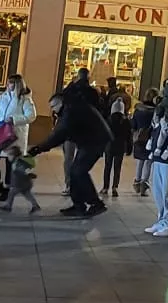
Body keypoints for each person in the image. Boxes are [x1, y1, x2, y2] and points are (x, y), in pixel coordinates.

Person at [29, 78, 110, 216]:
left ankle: (96, 203)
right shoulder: (71, 107)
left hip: (95, 141)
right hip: (90, 141)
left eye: (53, 107)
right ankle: (78, 205)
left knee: (79, 172)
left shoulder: (70, 111)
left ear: (60, 103)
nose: (53, 111)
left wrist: (38, 149)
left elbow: (57, 135)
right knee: (75, 171)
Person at [0, 74, 36, 200]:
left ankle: (7, 189)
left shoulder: (25, 99)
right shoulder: (3, 97)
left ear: (18, 84)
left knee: (10, 163)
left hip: (15, 135)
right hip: (1, 133)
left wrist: (14, 119)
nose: (8, 85)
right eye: (8, 83)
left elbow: (31, 116)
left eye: (11, 83)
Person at [102, 95, 131, 197]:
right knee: (117, 168)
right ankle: (115, 187)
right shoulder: (125, 120)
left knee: (107, 167)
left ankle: (105, 187)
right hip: (120, 147)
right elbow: (129, 136)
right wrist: (129, 148)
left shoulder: (108, 119)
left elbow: (103, 134)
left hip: (109, 146)